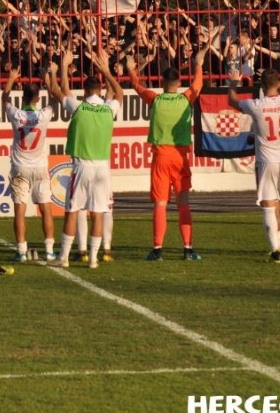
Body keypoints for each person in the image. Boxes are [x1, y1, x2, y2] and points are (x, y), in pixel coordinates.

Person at [126, 45, 209, 261]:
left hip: (161, 156)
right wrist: (198, 65)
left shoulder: (155, 99)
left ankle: (158, 249)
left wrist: (131, 69)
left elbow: (136, 86)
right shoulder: (185, 99)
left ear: (162, 83)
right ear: (179, 83)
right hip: (180, 157)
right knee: (183, 202)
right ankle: (188, 249)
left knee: (160, 204)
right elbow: (198, 85)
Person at [44, 49, 122, 267]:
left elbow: (61, 92)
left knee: (72, 211)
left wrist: (63, 68)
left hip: (82, 167)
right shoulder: (108, 110)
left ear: (86, 91)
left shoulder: (79, 108)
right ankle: (94, 259)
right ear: (99, 90)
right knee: (97, 213)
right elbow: (120, 94)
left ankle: (64, 257)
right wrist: (107, 72)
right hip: (102, 169)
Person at [230, 70, 280, 263]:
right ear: (278, 81)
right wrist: (275, 82)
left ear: (261, 86)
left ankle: (276, 251)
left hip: (267, 161)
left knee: (269, 207)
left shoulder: (256, 106)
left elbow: (232, 100)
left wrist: (233, 82)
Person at [2, 68, 55, 262]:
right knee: (46, 208)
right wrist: (48, 80)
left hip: (20, 167)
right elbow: (55, 98)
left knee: (20, 209)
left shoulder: (16, 115)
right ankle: (49, 250)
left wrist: (10, 79)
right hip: (40, 167)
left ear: (22, 97)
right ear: (38, 99)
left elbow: (4, 99)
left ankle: (22, 251)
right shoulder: (43, 115)